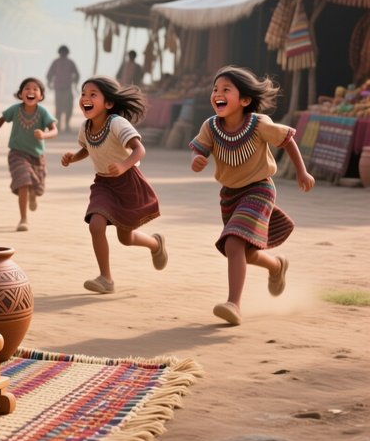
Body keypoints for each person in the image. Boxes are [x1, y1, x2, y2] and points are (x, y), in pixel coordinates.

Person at [189, 65, 314, 326]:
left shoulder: (259, 124)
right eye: (215, 89)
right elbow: (199, 149)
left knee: (234, 244)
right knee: (245, 253)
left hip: (259, 189)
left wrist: (302, 172)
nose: (217, 94)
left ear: (245, 100)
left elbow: (287, 140)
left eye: (226, 90)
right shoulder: (210, 127)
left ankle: (233, 304)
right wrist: (197, 159)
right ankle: (276, 267)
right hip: (229, 195)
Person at [61, 76, 168, 294]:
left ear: (108, 103)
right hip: (103, 184)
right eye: (83, 94)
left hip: (128, 183)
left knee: (125, 238)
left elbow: (139, 150)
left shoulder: (117, 123)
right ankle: (106, 279)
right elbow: (88, 149)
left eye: (93, 94)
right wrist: (74, 157)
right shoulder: (85, 127)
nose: (85, 98)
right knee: (96, 225)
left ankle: (156, 244)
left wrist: (123, 165)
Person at [0, 77, 58, 232]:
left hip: (36, 156)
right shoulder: (15, 109)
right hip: (17, 153)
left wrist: (44, 135)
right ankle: (23, 219)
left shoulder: (43, 112)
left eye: (35, 89)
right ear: (20, 94)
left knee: (37, 186)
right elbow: (2, 119)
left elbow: (54, 130)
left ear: (41, 96)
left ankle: (33, 194)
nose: (30, 91)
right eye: (27, 88)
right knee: (24, 181)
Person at [46, 45, 80, 133]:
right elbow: (49, 74)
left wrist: (75, 84)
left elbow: (77, 74)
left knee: (68, 107)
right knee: (59, 107)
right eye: (62, 53)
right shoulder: (56, 62)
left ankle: (67, 124)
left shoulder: (70, 63)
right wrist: (49, 83)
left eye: (64, 53)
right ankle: (59, 125)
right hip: (59, 89)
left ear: (67, 53)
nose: (63, 54)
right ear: (60, 53)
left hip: (66, 88)